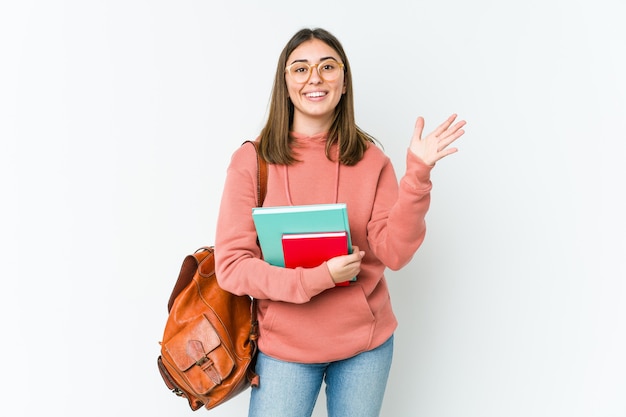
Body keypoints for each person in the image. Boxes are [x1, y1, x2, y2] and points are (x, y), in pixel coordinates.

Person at [214, 27, 466, 417]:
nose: (314, 78)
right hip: (284, 350)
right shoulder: (252, 161)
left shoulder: (370, 160)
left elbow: (395, 253)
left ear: (344, 81)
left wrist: (417, 175)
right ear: (285, 82)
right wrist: (319, 277)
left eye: (327, 67)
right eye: (300, 69)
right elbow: (231, 268)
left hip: (365, 348)